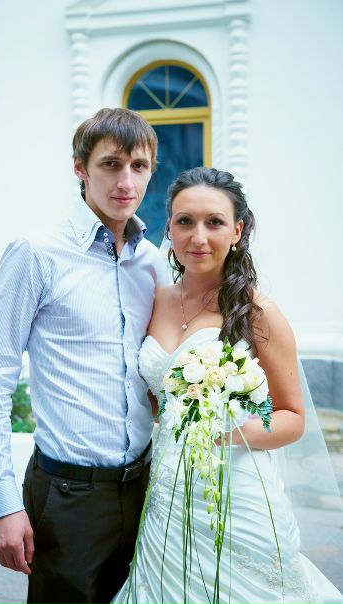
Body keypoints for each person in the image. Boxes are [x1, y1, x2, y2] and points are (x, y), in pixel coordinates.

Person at [112, 167, 343, 604]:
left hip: (236, 494)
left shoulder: (258, 312)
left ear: (237, 231)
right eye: (185, 221)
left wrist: (227, 431)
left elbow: (292, 418)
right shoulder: (156, 300)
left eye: (214, 222)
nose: (198, 237)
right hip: (166, 493)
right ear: (170, 228)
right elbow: (158, 396)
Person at [0, 107, 170, 604]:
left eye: (139, 166)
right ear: (80, 167)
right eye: (111, 164)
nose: (126, 182)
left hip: (144, 489)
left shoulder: (152, 262)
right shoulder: (36, 253)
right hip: (67, 497)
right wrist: (3, 504)